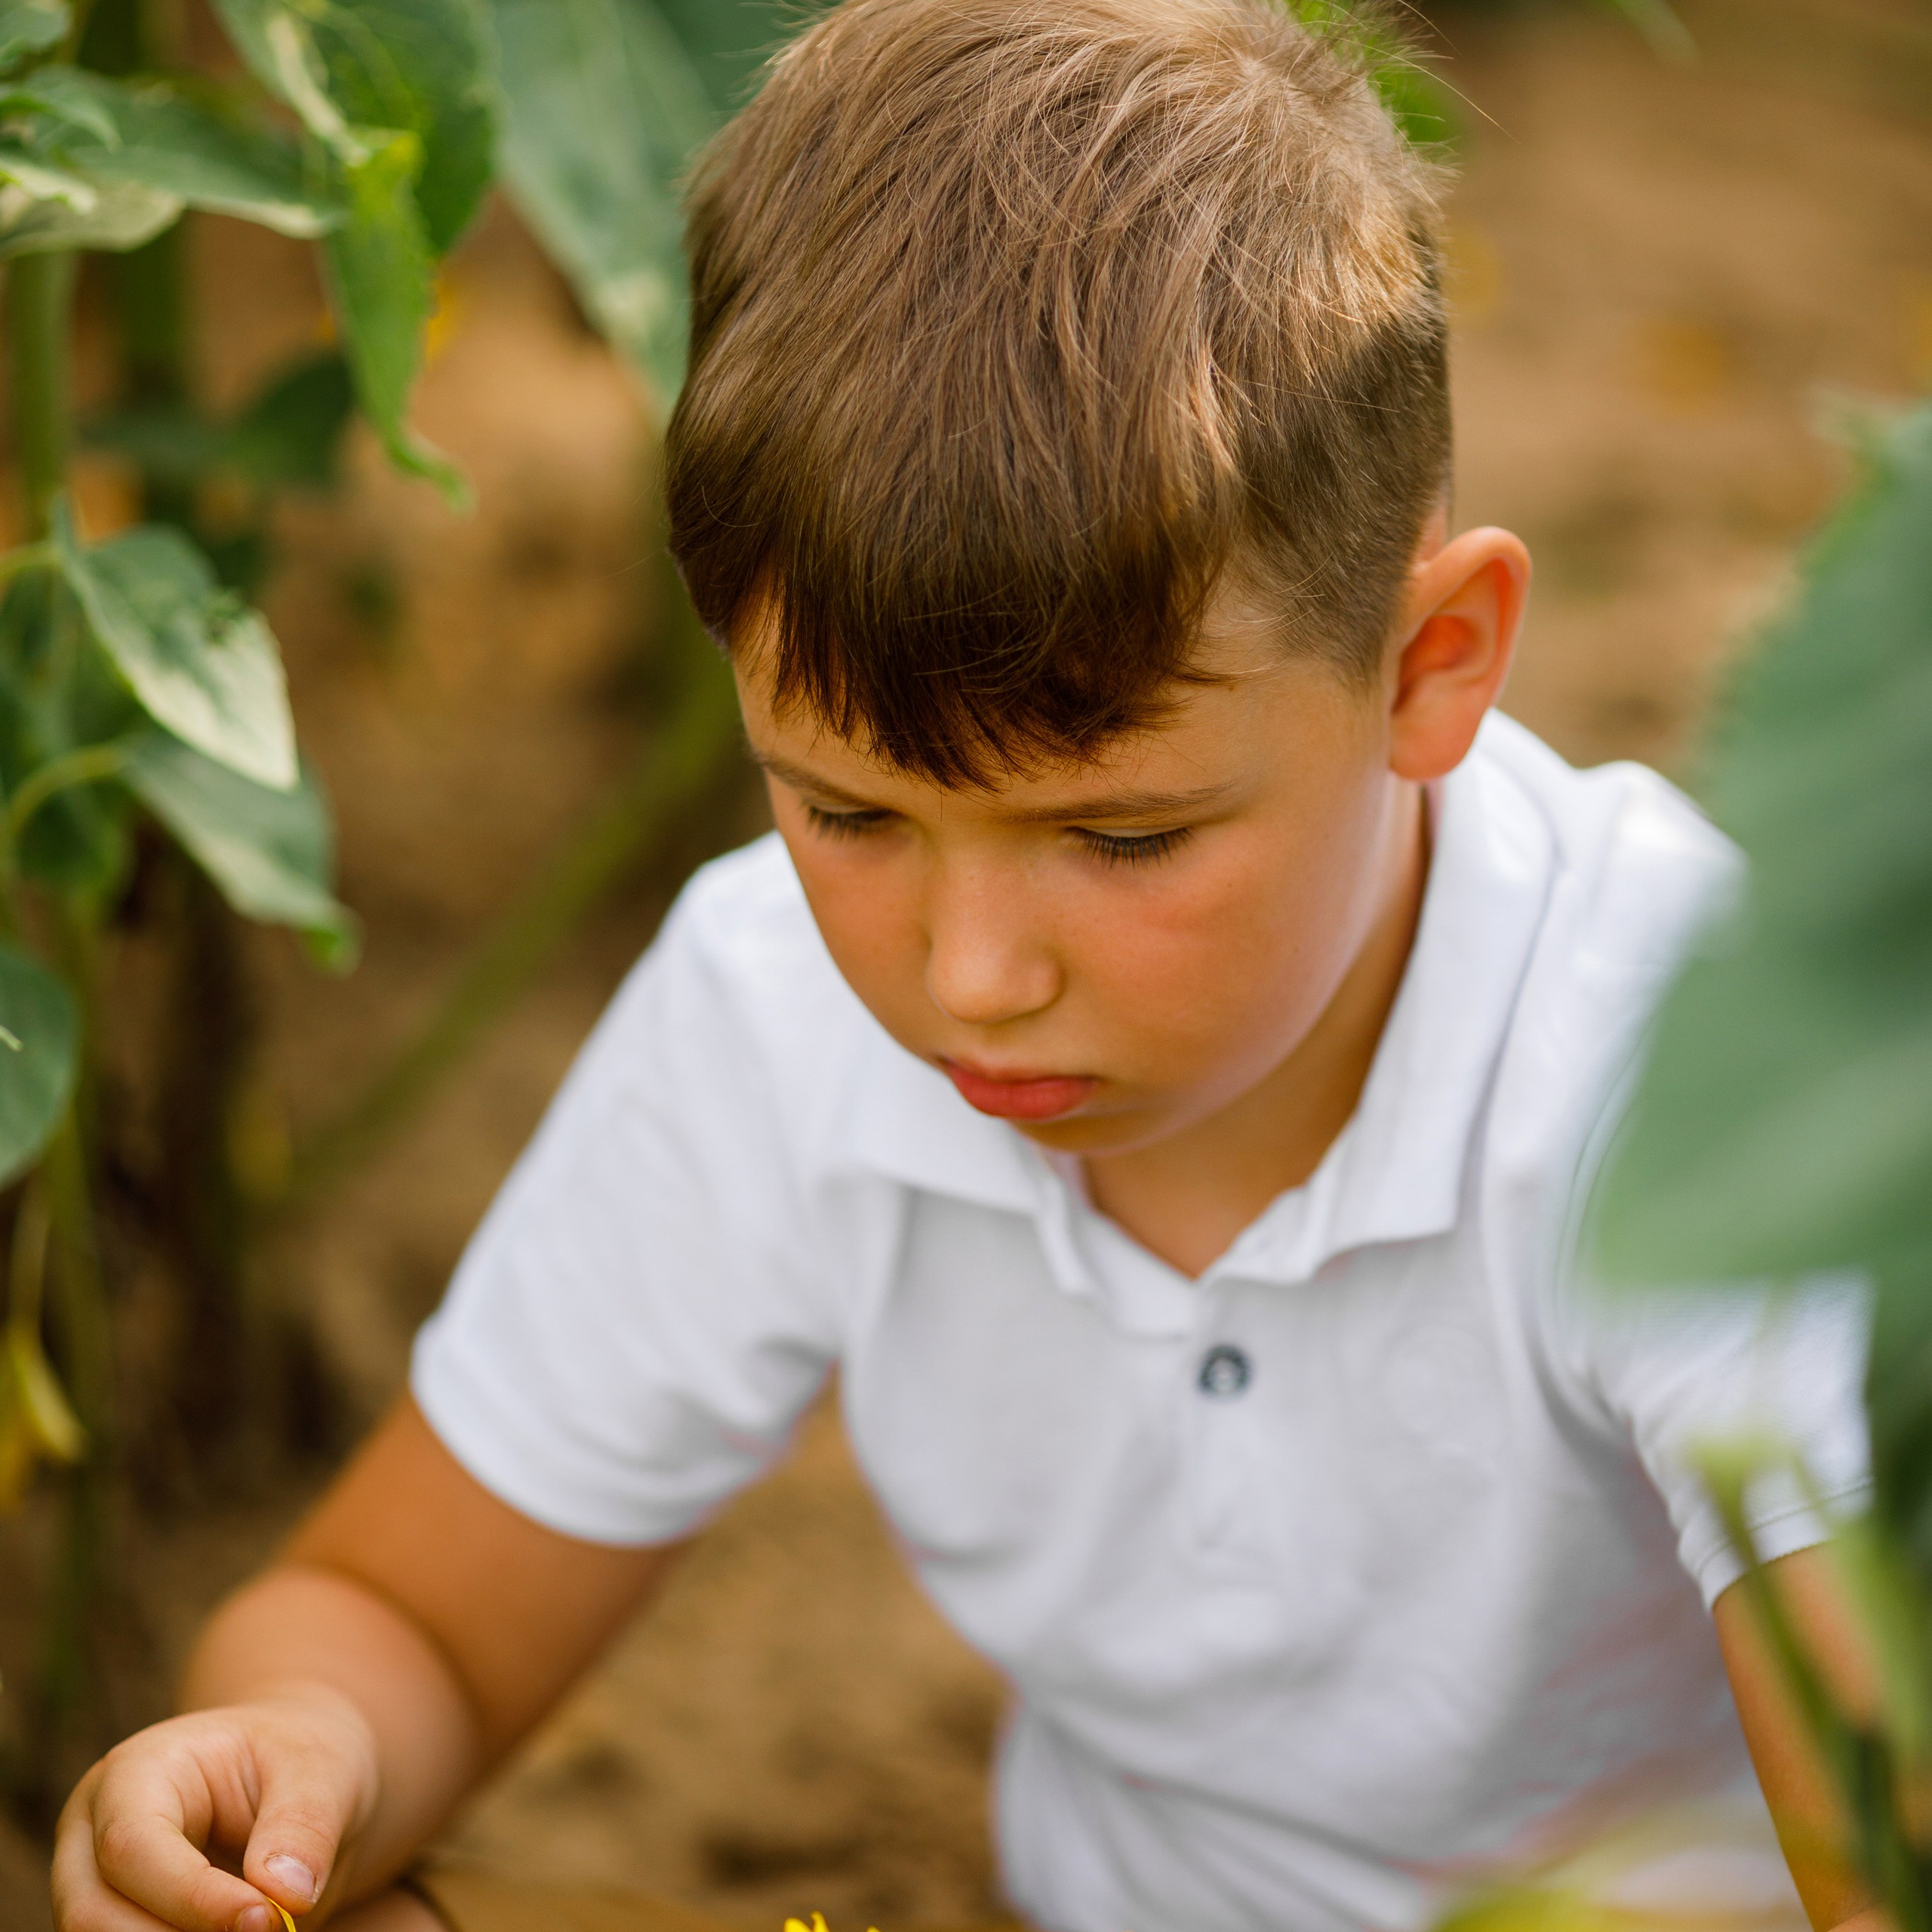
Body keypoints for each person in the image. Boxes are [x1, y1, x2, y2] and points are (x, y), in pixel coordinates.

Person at [51, 2, 1877, 1930]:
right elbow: (399, 1610)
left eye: (1125, 838)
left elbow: (1885, 1829)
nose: (971, 977)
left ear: (1429, 667)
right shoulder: (769, 1013)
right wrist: (290, 1747)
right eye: (844, 812)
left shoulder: (1678, 1070)